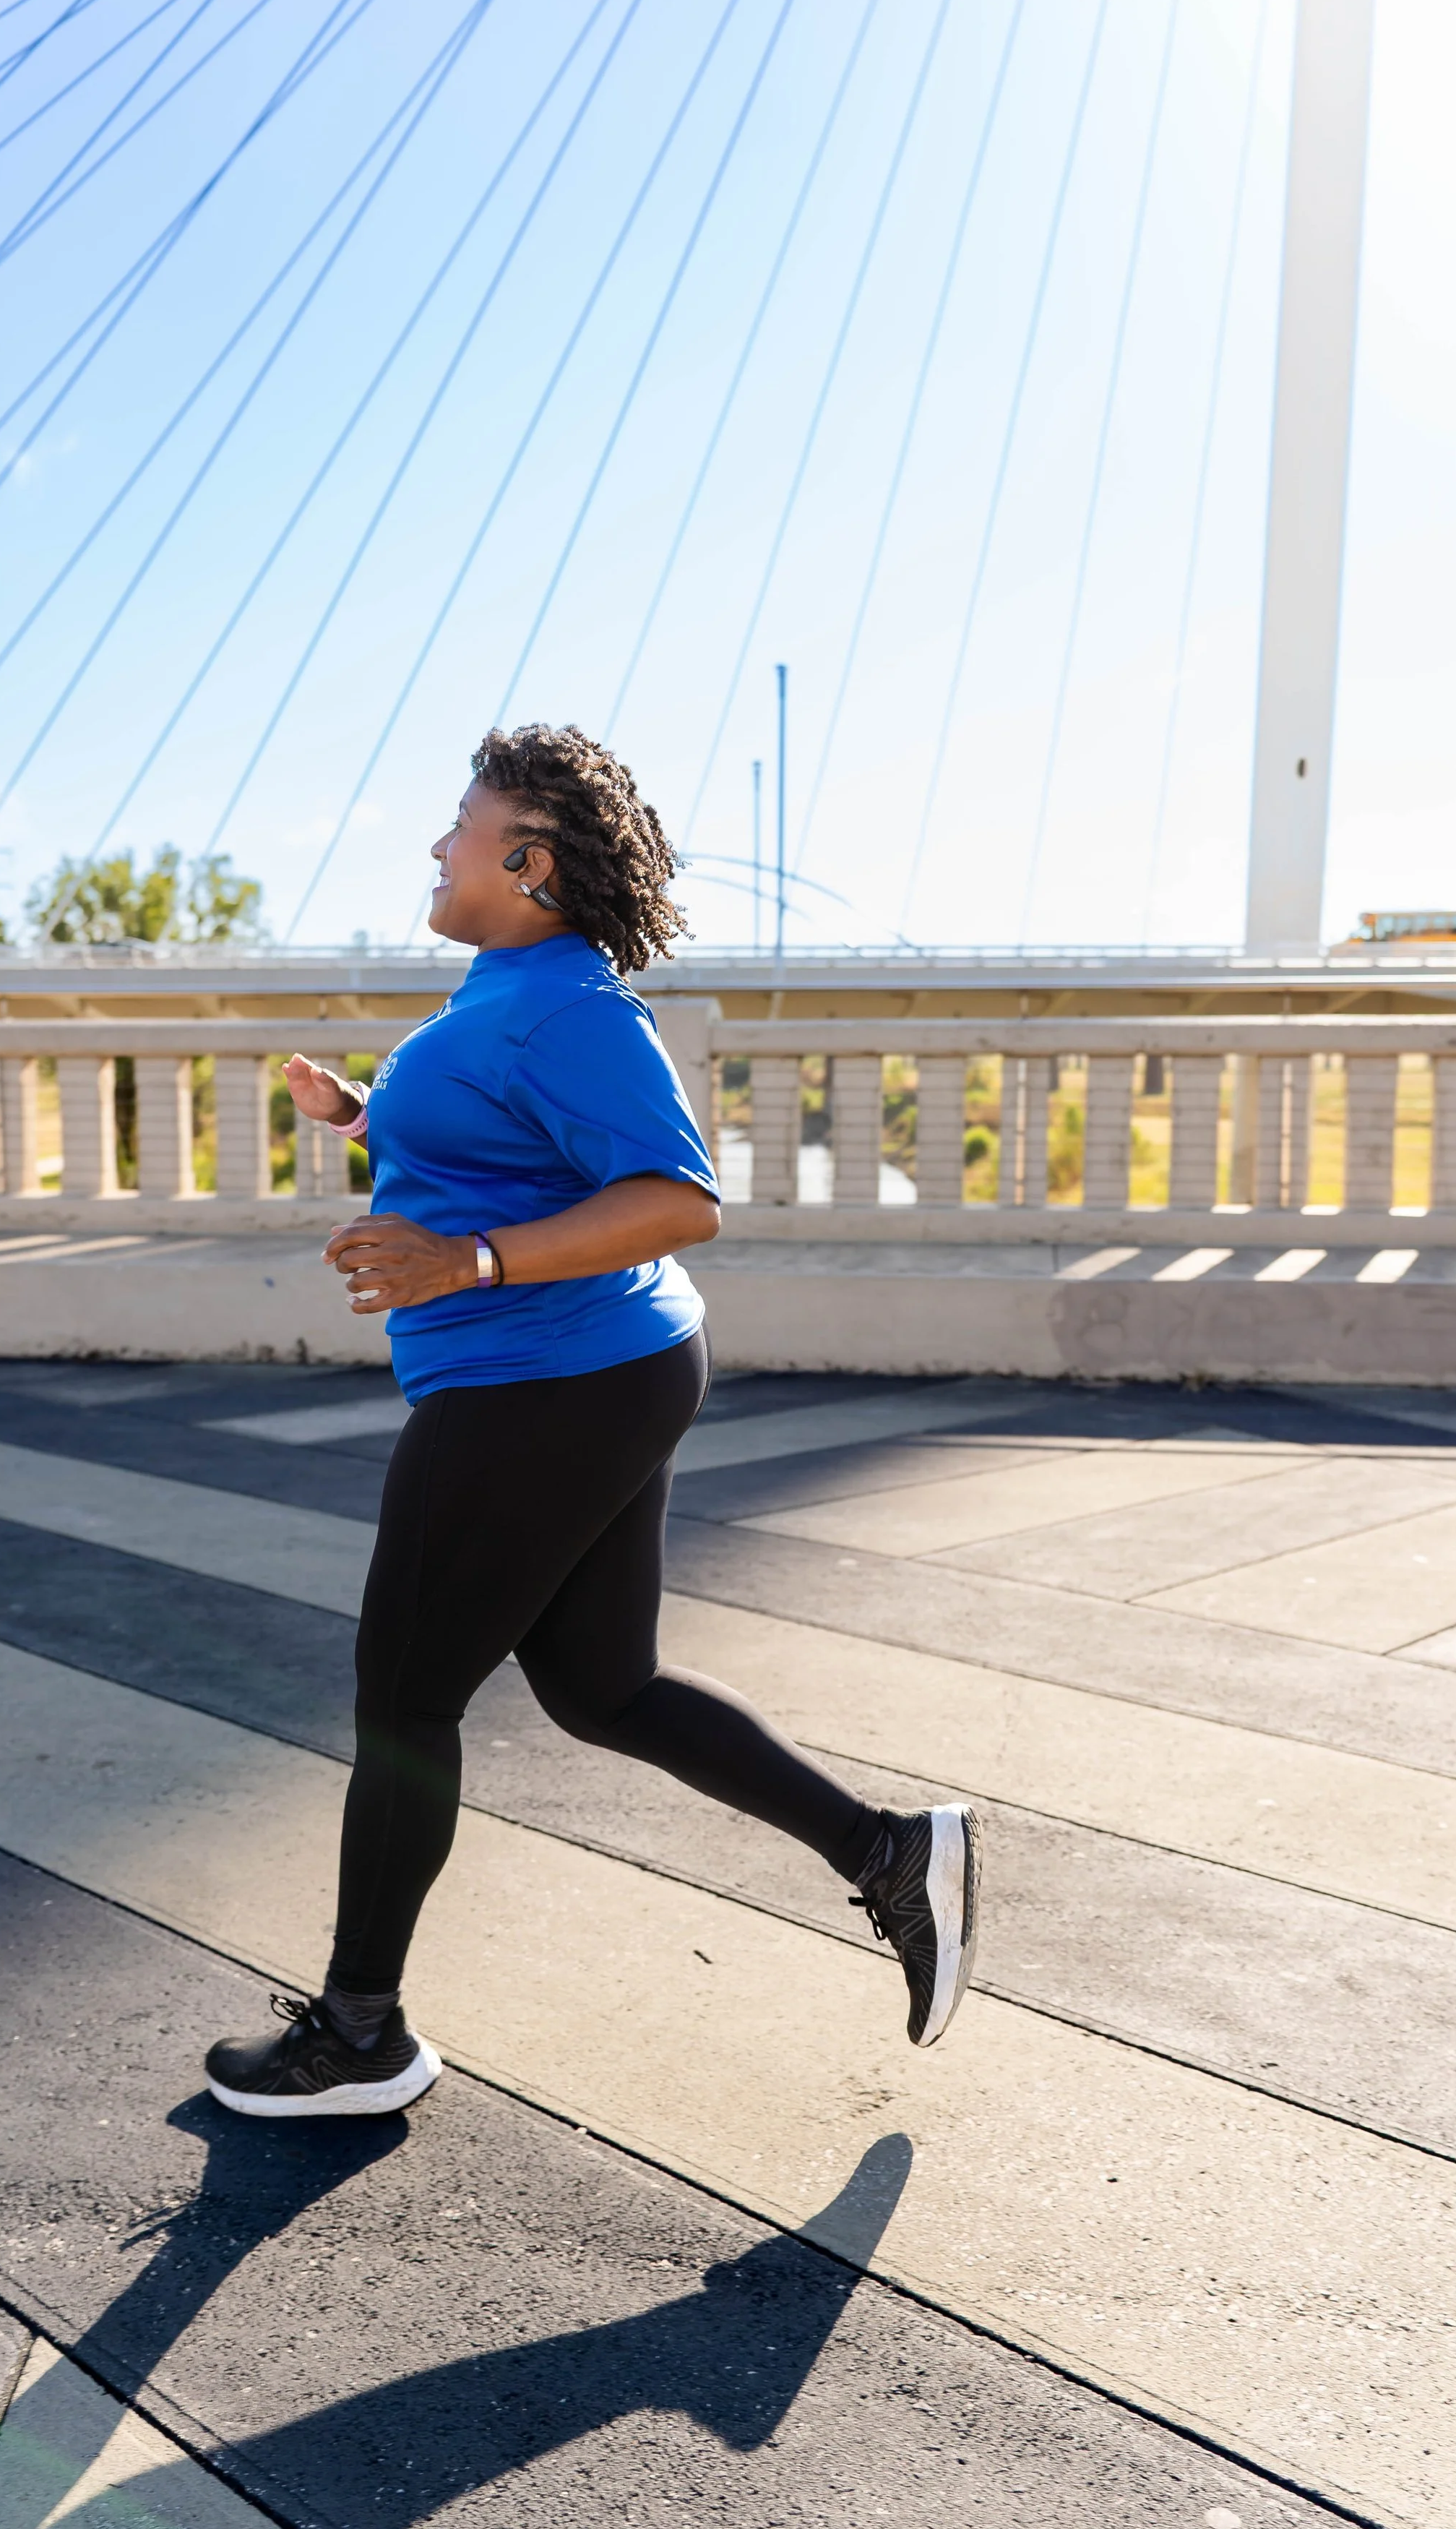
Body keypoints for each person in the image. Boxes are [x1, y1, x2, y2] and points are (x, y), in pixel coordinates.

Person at [204, 725, 981, 2118]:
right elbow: (511, 1144)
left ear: (530, 860)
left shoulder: (573, 1007)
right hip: (585, 1368)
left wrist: (469, 1262)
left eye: (462, 821)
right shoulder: (511, 991)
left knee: (403, 1699)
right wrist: (372, 1118)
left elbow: (679, 1197)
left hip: (541, 1380)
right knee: (602, 1687)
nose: (437, 844)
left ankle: (359, 2036)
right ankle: (890, 1854)